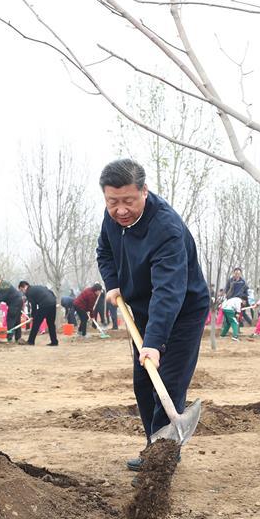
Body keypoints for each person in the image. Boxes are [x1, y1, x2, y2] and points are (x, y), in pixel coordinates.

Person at [95, 158, 209, 470]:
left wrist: (155, 342)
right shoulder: (113, 220)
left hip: (182, 311)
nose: (120, 210)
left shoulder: (166, 228)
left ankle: (162, 463)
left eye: (128, 201)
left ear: (144, 191)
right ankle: (154, 448)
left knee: (168, 383)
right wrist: (114, 284)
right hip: (143, 310)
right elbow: (104, 252)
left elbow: (169, 290)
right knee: (144, 384)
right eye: (112, 202)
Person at [19, 281, 59, 346]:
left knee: (36, 323)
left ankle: (31, 341)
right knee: (51, 324)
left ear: (24, 287)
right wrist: (54, 300)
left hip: (44, 304)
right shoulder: (38, 287)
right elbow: (50, 292)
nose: (22, 292)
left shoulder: (29, 292)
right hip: (53, 303)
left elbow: (33, 305)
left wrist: (33, 316)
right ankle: (54, 341)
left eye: (21, 290)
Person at [0, 273, 24, 343]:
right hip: (18, 302)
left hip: (15, 303)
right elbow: (0, 297)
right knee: (17, 320)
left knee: (10, 319)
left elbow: (1, 297)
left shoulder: (3, 286)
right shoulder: (3, 284)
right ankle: (18, 338)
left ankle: (9, 338)